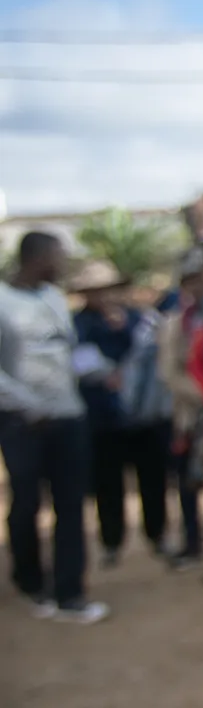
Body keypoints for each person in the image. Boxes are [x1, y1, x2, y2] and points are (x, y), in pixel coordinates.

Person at [0, 232, 104, 623]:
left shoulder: (55, 299)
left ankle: (70, 591)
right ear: (36, 257)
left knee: (71, 505)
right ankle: (30, 581)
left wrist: (99, 372)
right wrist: (28, 406)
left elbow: (68, 351)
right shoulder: (3, 303)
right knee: (26, 503)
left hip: (68, 416)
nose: (62, 263)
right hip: (21, 422)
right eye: (57, 256)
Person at [72, 260, 175, 567]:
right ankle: (111, 541)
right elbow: (80, 363)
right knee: (107, 484)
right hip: (103, 419)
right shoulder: (78, 325)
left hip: (144, 417)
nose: (104, 296)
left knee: (153, 480)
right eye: (96, 291)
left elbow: (153, 356)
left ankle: (158, 535)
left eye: (108, 289)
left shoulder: (139, 320)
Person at [156, 247, 203, 570]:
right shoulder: (175, 324)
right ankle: (192, 542)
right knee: (188, 483)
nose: (200, 286)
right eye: (192, 281)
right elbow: (170, 372)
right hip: (192, 415)